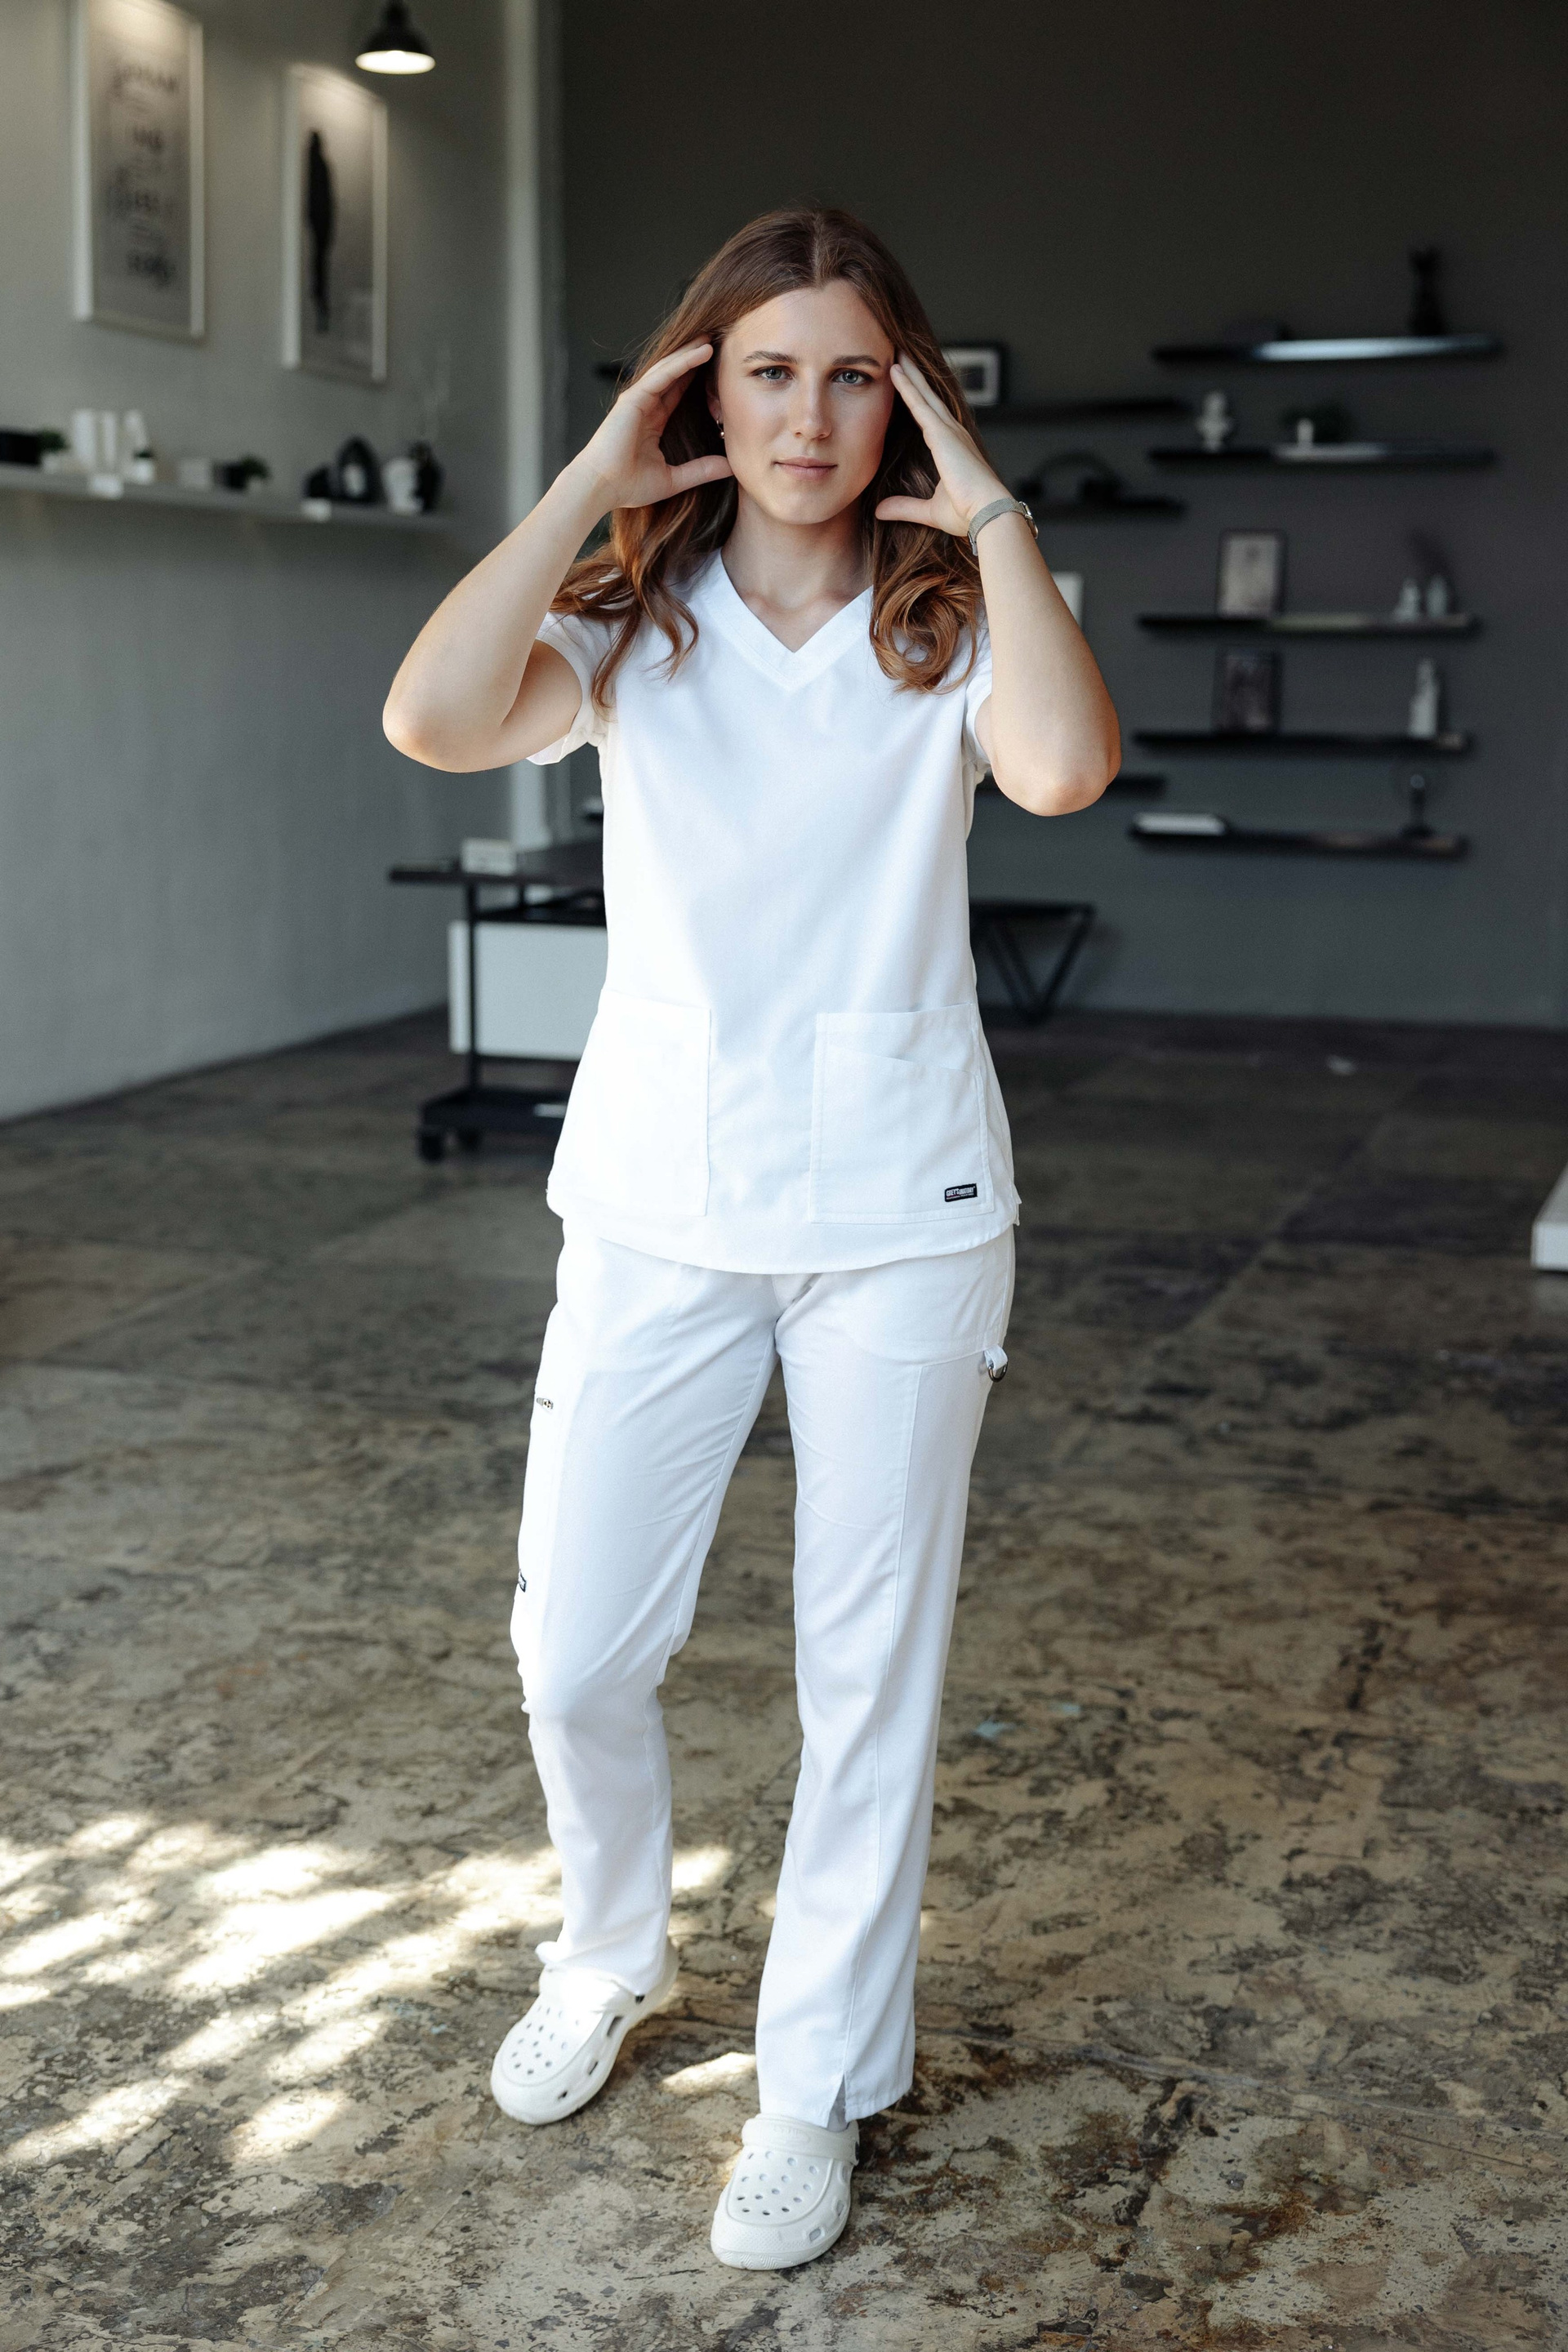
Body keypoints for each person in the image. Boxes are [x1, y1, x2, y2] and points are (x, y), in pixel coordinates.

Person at [383, 206, 1118, 2271]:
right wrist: (584, 485)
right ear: (700, 392)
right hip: (658, 1204)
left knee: (867, 1672)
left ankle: (815, 2084)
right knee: (574, 1651)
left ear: (907, 400)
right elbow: (433, 718)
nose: (809, 416)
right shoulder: (632, 614)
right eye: (767, 371)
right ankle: (611, 1949)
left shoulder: (953, 612)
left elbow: (1066, 769)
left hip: (902, 1212)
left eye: (855, 375)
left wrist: (993, 511)